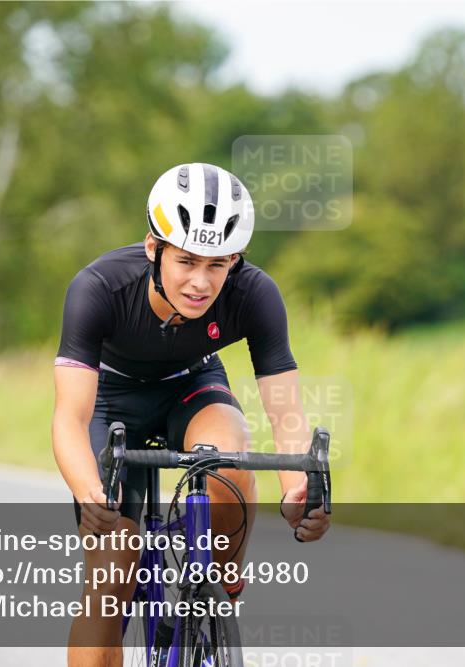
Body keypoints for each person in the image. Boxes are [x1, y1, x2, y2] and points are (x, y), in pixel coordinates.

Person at [51, 163, 331, 667]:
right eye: (186, 261)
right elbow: (70, 417)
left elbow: (284, 409)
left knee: (229, 459)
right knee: (111, 571)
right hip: (111, 402)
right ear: (153, 248)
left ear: (236, 261)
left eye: (218, 265)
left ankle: (218, 591)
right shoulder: (98, 287)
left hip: (190, 386)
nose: (201, 283)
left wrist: (295, 488)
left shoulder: (255, 293)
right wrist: (90, 494)